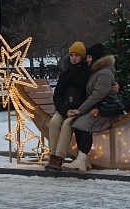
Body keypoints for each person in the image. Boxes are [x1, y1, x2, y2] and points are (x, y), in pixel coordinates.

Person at [62, 43, 119, 173]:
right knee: (77, 123)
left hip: (106, 110)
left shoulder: (103, 73)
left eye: (89, 57)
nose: (87, 60)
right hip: (97, 109)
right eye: (87, 57)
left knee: (84, 124)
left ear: (96, 58)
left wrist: (80, 110)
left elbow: (97, 96)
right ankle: (83, 160)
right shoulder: (95, 71)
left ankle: (81, 161)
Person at [45, 42, 89, 171]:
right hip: (64, 107)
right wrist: (64, 110)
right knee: (54, 122)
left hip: (80, 110)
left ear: (82, 57)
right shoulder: (65, 73)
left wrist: (78, 110)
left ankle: (59, 158)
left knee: (67, 124)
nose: (74, 58)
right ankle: (52, 155)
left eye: (77, 55)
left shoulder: (87, 72)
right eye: (72, 55)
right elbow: (57, 95)